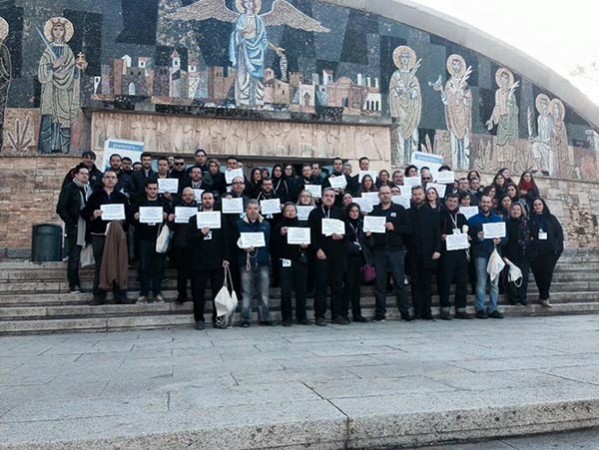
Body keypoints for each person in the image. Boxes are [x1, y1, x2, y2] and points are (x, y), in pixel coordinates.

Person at [81, 170, 130, 304]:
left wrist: (122, 221)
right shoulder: (95, 196)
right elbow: (84, 213)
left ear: (116, 180)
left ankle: (120, 294)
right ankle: (98, 295)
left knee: (118, 263)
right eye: (107, 177)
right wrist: (93, 214)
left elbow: (129, 216)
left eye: (113, 177)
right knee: (100, 265)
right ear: (103, 180)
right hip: (99, 235)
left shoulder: (121, 197)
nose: (110, 180)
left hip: (117, 236)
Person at [369, 186, 413, 322]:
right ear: (379, 195)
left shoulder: (399, 210)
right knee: (380, 284)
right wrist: (368, 233)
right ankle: (380, 313)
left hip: (396, 251)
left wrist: (395, 228)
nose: (385, 195)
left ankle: (405, 312)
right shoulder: (374, 211)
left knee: (399, 282)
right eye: (382, 193)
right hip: (380, 251)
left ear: (391, 195)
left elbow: (409, 229)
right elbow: (369, 231)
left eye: (387, 193)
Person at [188, 191, 231, 329]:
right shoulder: (194, 219)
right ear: (201, 201)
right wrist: (201, 233)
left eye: (210, 198)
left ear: (214, 201)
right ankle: (199, 319)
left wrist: (226, 257)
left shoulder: (221, 218)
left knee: (218, 292)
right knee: (198, 291)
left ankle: (218, 318)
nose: (207, 200)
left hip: (217, 261)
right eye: (205, 198)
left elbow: (226, 239)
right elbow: (189, 240)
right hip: (199, 261)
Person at [308, 188, 348, 326]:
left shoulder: (341, 213)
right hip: (321, 254)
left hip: (337, 254)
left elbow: (348, 233)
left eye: (332, 196)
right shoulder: (315, 213)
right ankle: (320, 315)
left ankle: (336, 315)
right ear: (322, 197)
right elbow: (311, 234)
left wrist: (341, 236)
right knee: (321, 285)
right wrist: (317, 249)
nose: (329, 198)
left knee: (337, 285)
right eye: (326, 196)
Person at [235, 200, 274, 327]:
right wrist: (243, 247)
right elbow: (235, 243)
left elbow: (268, 243)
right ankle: (245, 318)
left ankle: (265, 318)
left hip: (262, 262)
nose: (253, 211)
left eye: (255, 209)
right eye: (250, 208)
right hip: (246, 262)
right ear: (246, 210)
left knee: (264, 292)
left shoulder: (266, 224)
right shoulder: (239, 224)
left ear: (260, 209)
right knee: (246, 292)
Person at [131, 180, 170, 304]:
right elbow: (130, 217)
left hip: (159, 239)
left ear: (158, 190)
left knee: (158, 267)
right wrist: (135, 216)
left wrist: (166, 216)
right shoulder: (139, 203)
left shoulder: (163, 203)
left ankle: (157, 293)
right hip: (143, 239)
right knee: (144, 267)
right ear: (146, 190)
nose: (153, 191)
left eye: (155, 189)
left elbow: (171, 219)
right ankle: (143, 294)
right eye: (150, 189)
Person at [468, 195, 506, 319]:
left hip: (495, 254)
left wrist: (500, 240)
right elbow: (468, 239)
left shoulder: (498, 219)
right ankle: (480, 308)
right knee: (481, 282)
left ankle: (493, 308)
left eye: (488, 202)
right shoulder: (473, 220)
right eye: (483, 202)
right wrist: (476, 237)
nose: (486, 204)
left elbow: (506, 238)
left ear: (492, 203)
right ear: (480, 203)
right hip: (480, 254)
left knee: (494, 283)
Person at [406, 186, 441, 320]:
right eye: (415, 194)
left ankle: (427, 311)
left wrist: (437, 249)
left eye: (419, 194)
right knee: (415, 283)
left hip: (429, 253)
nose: (417, 196)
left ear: (424, 195)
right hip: (413, 253)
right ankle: (417, 311)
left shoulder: (432, 212)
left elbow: (437, 233)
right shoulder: (408, 213)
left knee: (427, 284)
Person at [56, 163, 92, 293]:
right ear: (76, 175)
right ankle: (73, 283)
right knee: (74, 254)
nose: (85, 176)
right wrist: (71, 221)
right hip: (76, 226)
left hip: (87, 224)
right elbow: (60, 208)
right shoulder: (69, 188)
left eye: (87, 174)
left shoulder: (88, 189)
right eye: (82, 173)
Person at [274, 203, 310, 326]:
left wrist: (306, 245)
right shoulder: (279, 226)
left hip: (300, 261)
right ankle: (286, 317)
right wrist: (280, 234)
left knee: (301, 290)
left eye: (292, 210)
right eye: (287, 211)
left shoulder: (303, 225)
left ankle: (302, 317)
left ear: (296, 212)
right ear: (284, 213)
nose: (290, 213)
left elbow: (309, 241)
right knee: (286, 290)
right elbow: (274, 244)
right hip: (285, 261)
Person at [438, 193, 472, 319]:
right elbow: (436, 231)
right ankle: (445, 308)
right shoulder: (441, 215)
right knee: (445, 280)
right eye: (450, 201)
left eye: (455, 201)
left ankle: (461, 308)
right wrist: (442, 236)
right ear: (446, 202)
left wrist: (468, 237)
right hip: (447, 253)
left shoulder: (462, 217)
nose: (452, 203)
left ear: (458, 203)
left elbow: (468, 231)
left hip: (461, 253)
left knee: (462, 280)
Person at [167, 187, 200, 304]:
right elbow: (171, 228)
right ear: (182, 196)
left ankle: (196, 294)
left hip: (196, 246)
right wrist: (170, 220)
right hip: (181, 245)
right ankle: (182, 295)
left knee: (196, 273)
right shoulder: (177, 209)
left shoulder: (199, 209)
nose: (188, 197)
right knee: (182, 274)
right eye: (185, 195)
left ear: (194, 196)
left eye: (190, 195)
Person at [530, 198, 563, 308]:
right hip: (536, 251)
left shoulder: (551, 218)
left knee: (547, 273)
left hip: (550, 251)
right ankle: (543, 296)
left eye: (539, 204)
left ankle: (544, 297)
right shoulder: (530, 219)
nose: (538, 206)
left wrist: (558, 249)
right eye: (535, 205)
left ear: (543, 205)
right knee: (538, 274)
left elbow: (559, 233)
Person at [343, 203, 370, 322]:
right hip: (348, 258)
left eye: (356, 211)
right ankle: (343, 313)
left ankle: (357, 313)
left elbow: (369, 243)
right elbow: (343, 241)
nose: (354, 213)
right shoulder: (344, 224)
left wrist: (368, 236)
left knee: (357, 287)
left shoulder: (362, 224)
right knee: (348, 285)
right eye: (352, 211)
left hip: (360, 258)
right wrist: (354, 247)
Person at [505, 203, 533, 306]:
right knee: (513, 277)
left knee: (524, 277)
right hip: (511, 254)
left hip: (525, 254)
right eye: (513, 209)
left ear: (521, 211)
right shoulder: (506, 223)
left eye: (518, 209)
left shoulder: (527, 223)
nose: (515, 211)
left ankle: (523, 297)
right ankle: (514, 298)